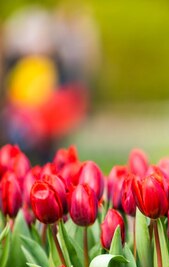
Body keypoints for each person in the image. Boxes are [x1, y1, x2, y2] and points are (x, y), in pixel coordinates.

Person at [0, 4, 98, 164]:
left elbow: (64, 94)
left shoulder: (53, 64)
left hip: (47, 121)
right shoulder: (20, 65)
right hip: (23, 118)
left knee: (48, 155)